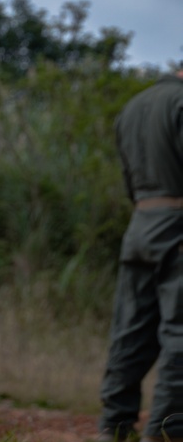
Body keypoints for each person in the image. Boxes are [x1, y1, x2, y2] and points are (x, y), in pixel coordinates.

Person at [94, 69, 183, 442]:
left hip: (140, 225)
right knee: (180, 334)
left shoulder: (132, 107)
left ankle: (113, 428)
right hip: (178, 226)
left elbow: (130, 179)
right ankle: (167, 431)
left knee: (130, 331)